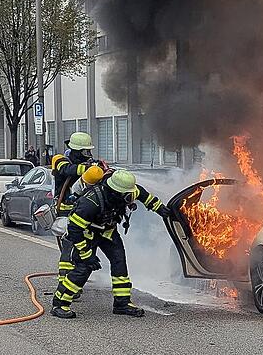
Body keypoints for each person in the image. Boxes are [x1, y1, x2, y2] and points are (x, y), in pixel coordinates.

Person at [51, 169, 172, 319]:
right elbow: (74, 230)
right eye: (127, 196)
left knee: (119, 262)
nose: (131, 198)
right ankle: (59, 304)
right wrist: (87, 254)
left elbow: (145, 196)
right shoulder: (90, 203)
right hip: (86, 234)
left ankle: (122, 303)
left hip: (108, 231)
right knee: (83, 268)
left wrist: (161, 209)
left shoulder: (128, 191)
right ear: (115, 192)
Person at [51, 132, 98, 286]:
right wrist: (88, 168)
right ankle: (64, 283)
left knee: (82, 247)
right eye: (86, 152)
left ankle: (75, 280)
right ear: (77, 150)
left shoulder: (86, 165)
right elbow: (67, 170)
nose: (88, 155)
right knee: (69, 246)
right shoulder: (60, 160)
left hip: (82, 211)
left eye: (89, 152)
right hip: (65, 210)